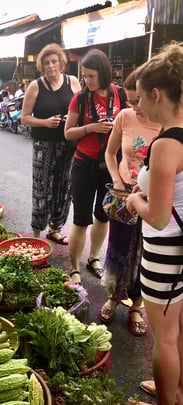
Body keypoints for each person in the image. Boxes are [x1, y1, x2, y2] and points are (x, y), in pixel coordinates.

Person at [126, 42, 183, 405]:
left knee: (163, 337)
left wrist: (134, 200)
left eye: (141, 99)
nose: (139, 107)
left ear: (157, 93)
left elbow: (159, 217)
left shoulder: (166, 144)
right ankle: (177, 392)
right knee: (179, 332)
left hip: (167, 250)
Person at [99, 70, 161, 336]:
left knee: (144, 254)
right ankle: (113, 296)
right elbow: (110, 153)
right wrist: (117, 180)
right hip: (124, 197)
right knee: (118, 249)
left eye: (138, 101)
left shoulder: (166, 125)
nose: (134, 107)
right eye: (130, 101)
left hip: (154, 200)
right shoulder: (124, 117)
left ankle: (136, 305)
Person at [64, 49, 126, 284]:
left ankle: (93, 258)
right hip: (84, 162)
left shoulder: (119, 94)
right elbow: (68, 132)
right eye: (84, 76)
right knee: (81, 218)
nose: (87, 81)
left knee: (103, 215)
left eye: (91, 76)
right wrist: (91, 127)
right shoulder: (79, 97)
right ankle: (74, 268)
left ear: (103, 73)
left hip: (111, 163)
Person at [21, 43, 81, 245]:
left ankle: (56, 228)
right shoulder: (36, 86)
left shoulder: (73, 82)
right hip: (44, 146)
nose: (51, 66)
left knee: (64, 188)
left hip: (69, 144)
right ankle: (37, 232)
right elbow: (25, 118)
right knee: (42, 188)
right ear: (42, 66)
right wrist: (45, 123)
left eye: (54, 61)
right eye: (46, 63)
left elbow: (81, 110)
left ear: (61, 63)